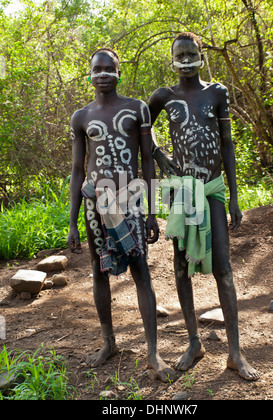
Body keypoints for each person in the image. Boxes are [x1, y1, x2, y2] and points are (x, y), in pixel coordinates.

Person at [148, 32, 259, 381]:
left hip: (212, 189)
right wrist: (158, 154)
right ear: (172, 58)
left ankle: (235, 352)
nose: (184, 58)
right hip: (181, 190)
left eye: (189, 52)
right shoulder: (164, 96)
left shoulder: (217, 93)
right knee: (181, 267)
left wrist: (235, 196)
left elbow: (227, 144)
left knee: (223, 269)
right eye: (178, 53)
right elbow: (142, 127)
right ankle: (194, 342)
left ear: (200, 54)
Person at [67, 47, 175, 382]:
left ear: (118, 72)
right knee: (99, 273)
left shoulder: (137, 109)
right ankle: (108, 342)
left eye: (108, 69)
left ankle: (154, 353)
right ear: (89, 74)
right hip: (94, 202)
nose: (102, 74)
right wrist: (71, 222)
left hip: (130, 198)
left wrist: (152, 211)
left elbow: (146, 160)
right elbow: (76, 170)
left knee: (142, 272)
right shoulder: (81, 117)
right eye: (96, 69)